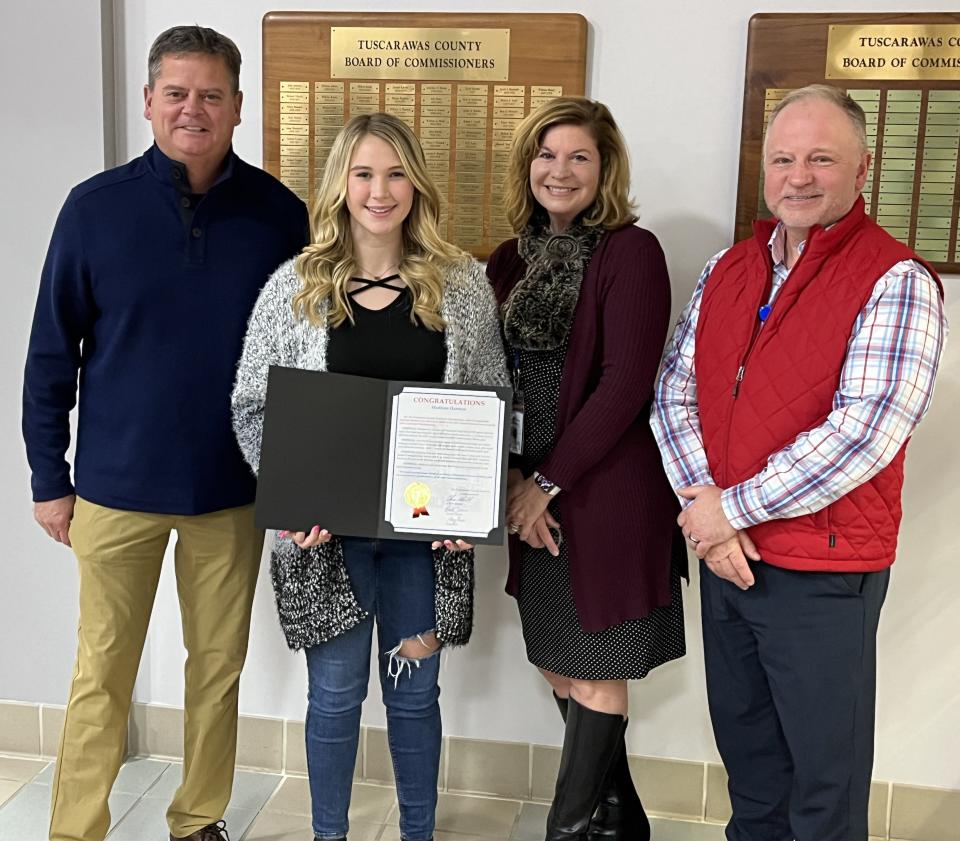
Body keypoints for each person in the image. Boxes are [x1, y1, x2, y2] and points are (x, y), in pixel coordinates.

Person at [21, 25, 309, 841]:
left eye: (211, 94)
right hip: (112, 492)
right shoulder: (94, 209)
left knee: (217, 672)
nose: (194, 108)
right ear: (149, 101)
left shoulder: (279, 217)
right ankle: (76, 827)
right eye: (177, 92)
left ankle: (197, 821)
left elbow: (303, 362)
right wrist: (50, 476)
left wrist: (298, 480)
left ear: (238, 107)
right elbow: (50, 354)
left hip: (230, 492)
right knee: (101, 674)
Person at [651, 84, 947, 841]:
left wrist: (730, 509)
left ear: (862, 169)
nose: (799, 175)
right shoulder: (728, 268)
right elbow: (673, 396)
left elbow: (865, 432)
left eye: (822, 157)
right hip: (729, 561)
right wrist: (708, 516)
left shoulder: (896, 280)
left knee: (822, 792)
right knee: (752, 779)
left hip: (822, 575)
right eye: (784, 158)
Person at [231, 111, 508, 841]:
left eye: (394, 173)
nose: (379, 190)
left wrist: (468, 507)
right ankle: (331, 834)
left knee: (415, 697)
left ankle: (418, 832)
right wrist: (291, 496)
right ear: (340, 186)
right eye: (363, 173)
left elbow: (489, 408)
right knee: (334, 696)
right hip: (327, 540)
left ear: (415, 183)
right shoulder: (294, 288)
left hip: (423, 544)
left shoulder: (464, 287)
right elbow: (253, 405)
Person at [486, 97, 686, 841]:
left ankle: (566, 830)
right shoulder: (507, 258)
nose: (559, 170)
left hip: (606, 492)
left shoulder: (632, 253)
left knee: (597, 667)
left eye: (579, 157)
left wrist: (545, 483)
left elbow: (626, 382)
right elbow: (487, 373)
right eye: (547, 154)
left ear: (605, 170)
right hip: (525, 487)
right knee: (558, 661)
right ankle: (620, 820)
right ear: (527, 165)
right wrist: (512, 480)